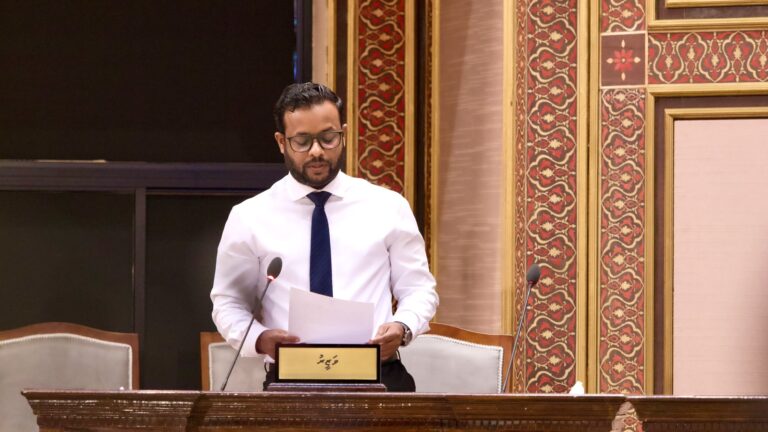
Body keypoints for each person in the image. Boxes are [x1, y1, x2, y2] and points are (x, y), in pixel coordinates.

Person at [210, 82, 438, 391]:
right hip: (291, 378)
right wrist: (260, 339)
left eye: (328, 138)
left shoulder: (387, 207)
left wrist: (403, 326)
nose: (316, 151)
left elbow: (419, 289)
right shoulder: (250, 216)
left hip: (378, 374)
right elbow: (228, 303)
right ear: (281, 142)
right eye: (302, 141)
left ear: (343, 134)